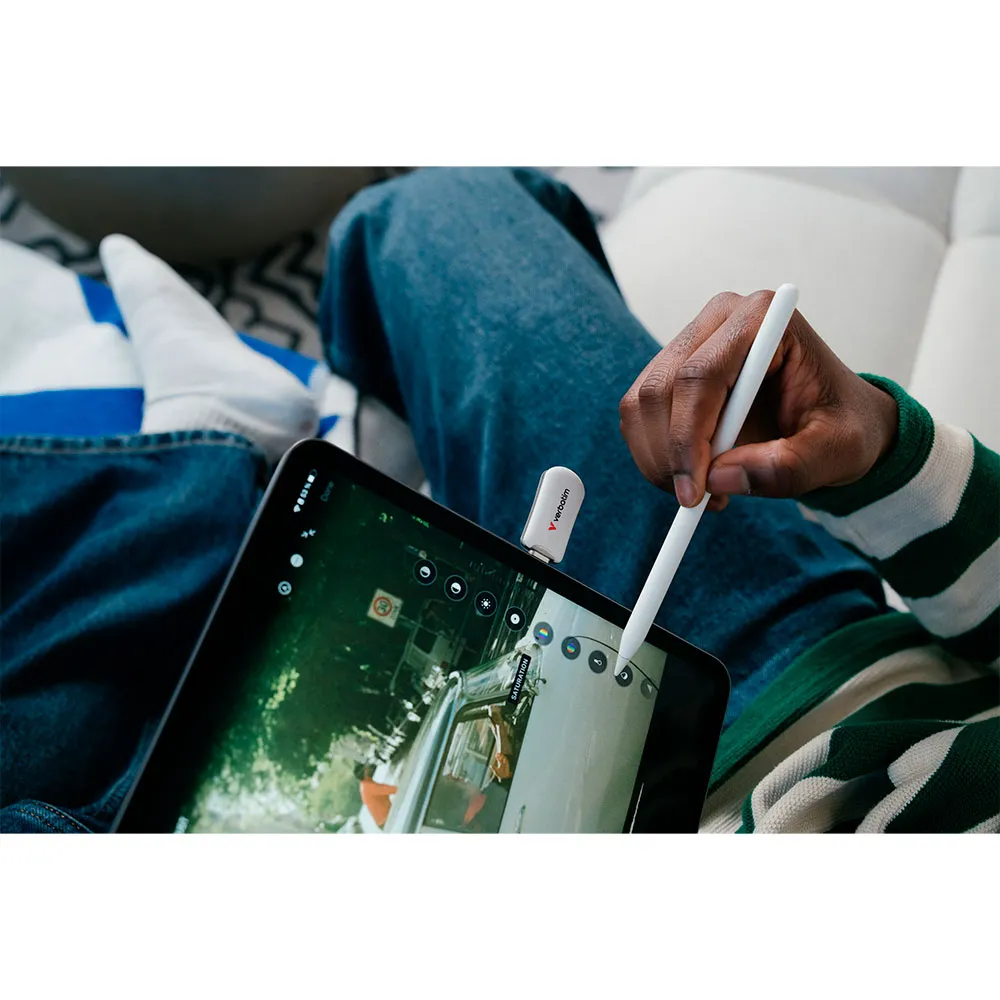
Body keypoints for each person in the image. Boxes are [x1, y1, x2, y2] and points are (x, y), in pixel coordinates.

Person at [0, 168, 996, 833]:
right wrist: (884, 451)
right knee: (430, 216)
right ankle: (231, 470)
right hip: (826, 680)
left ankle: (209, 472)